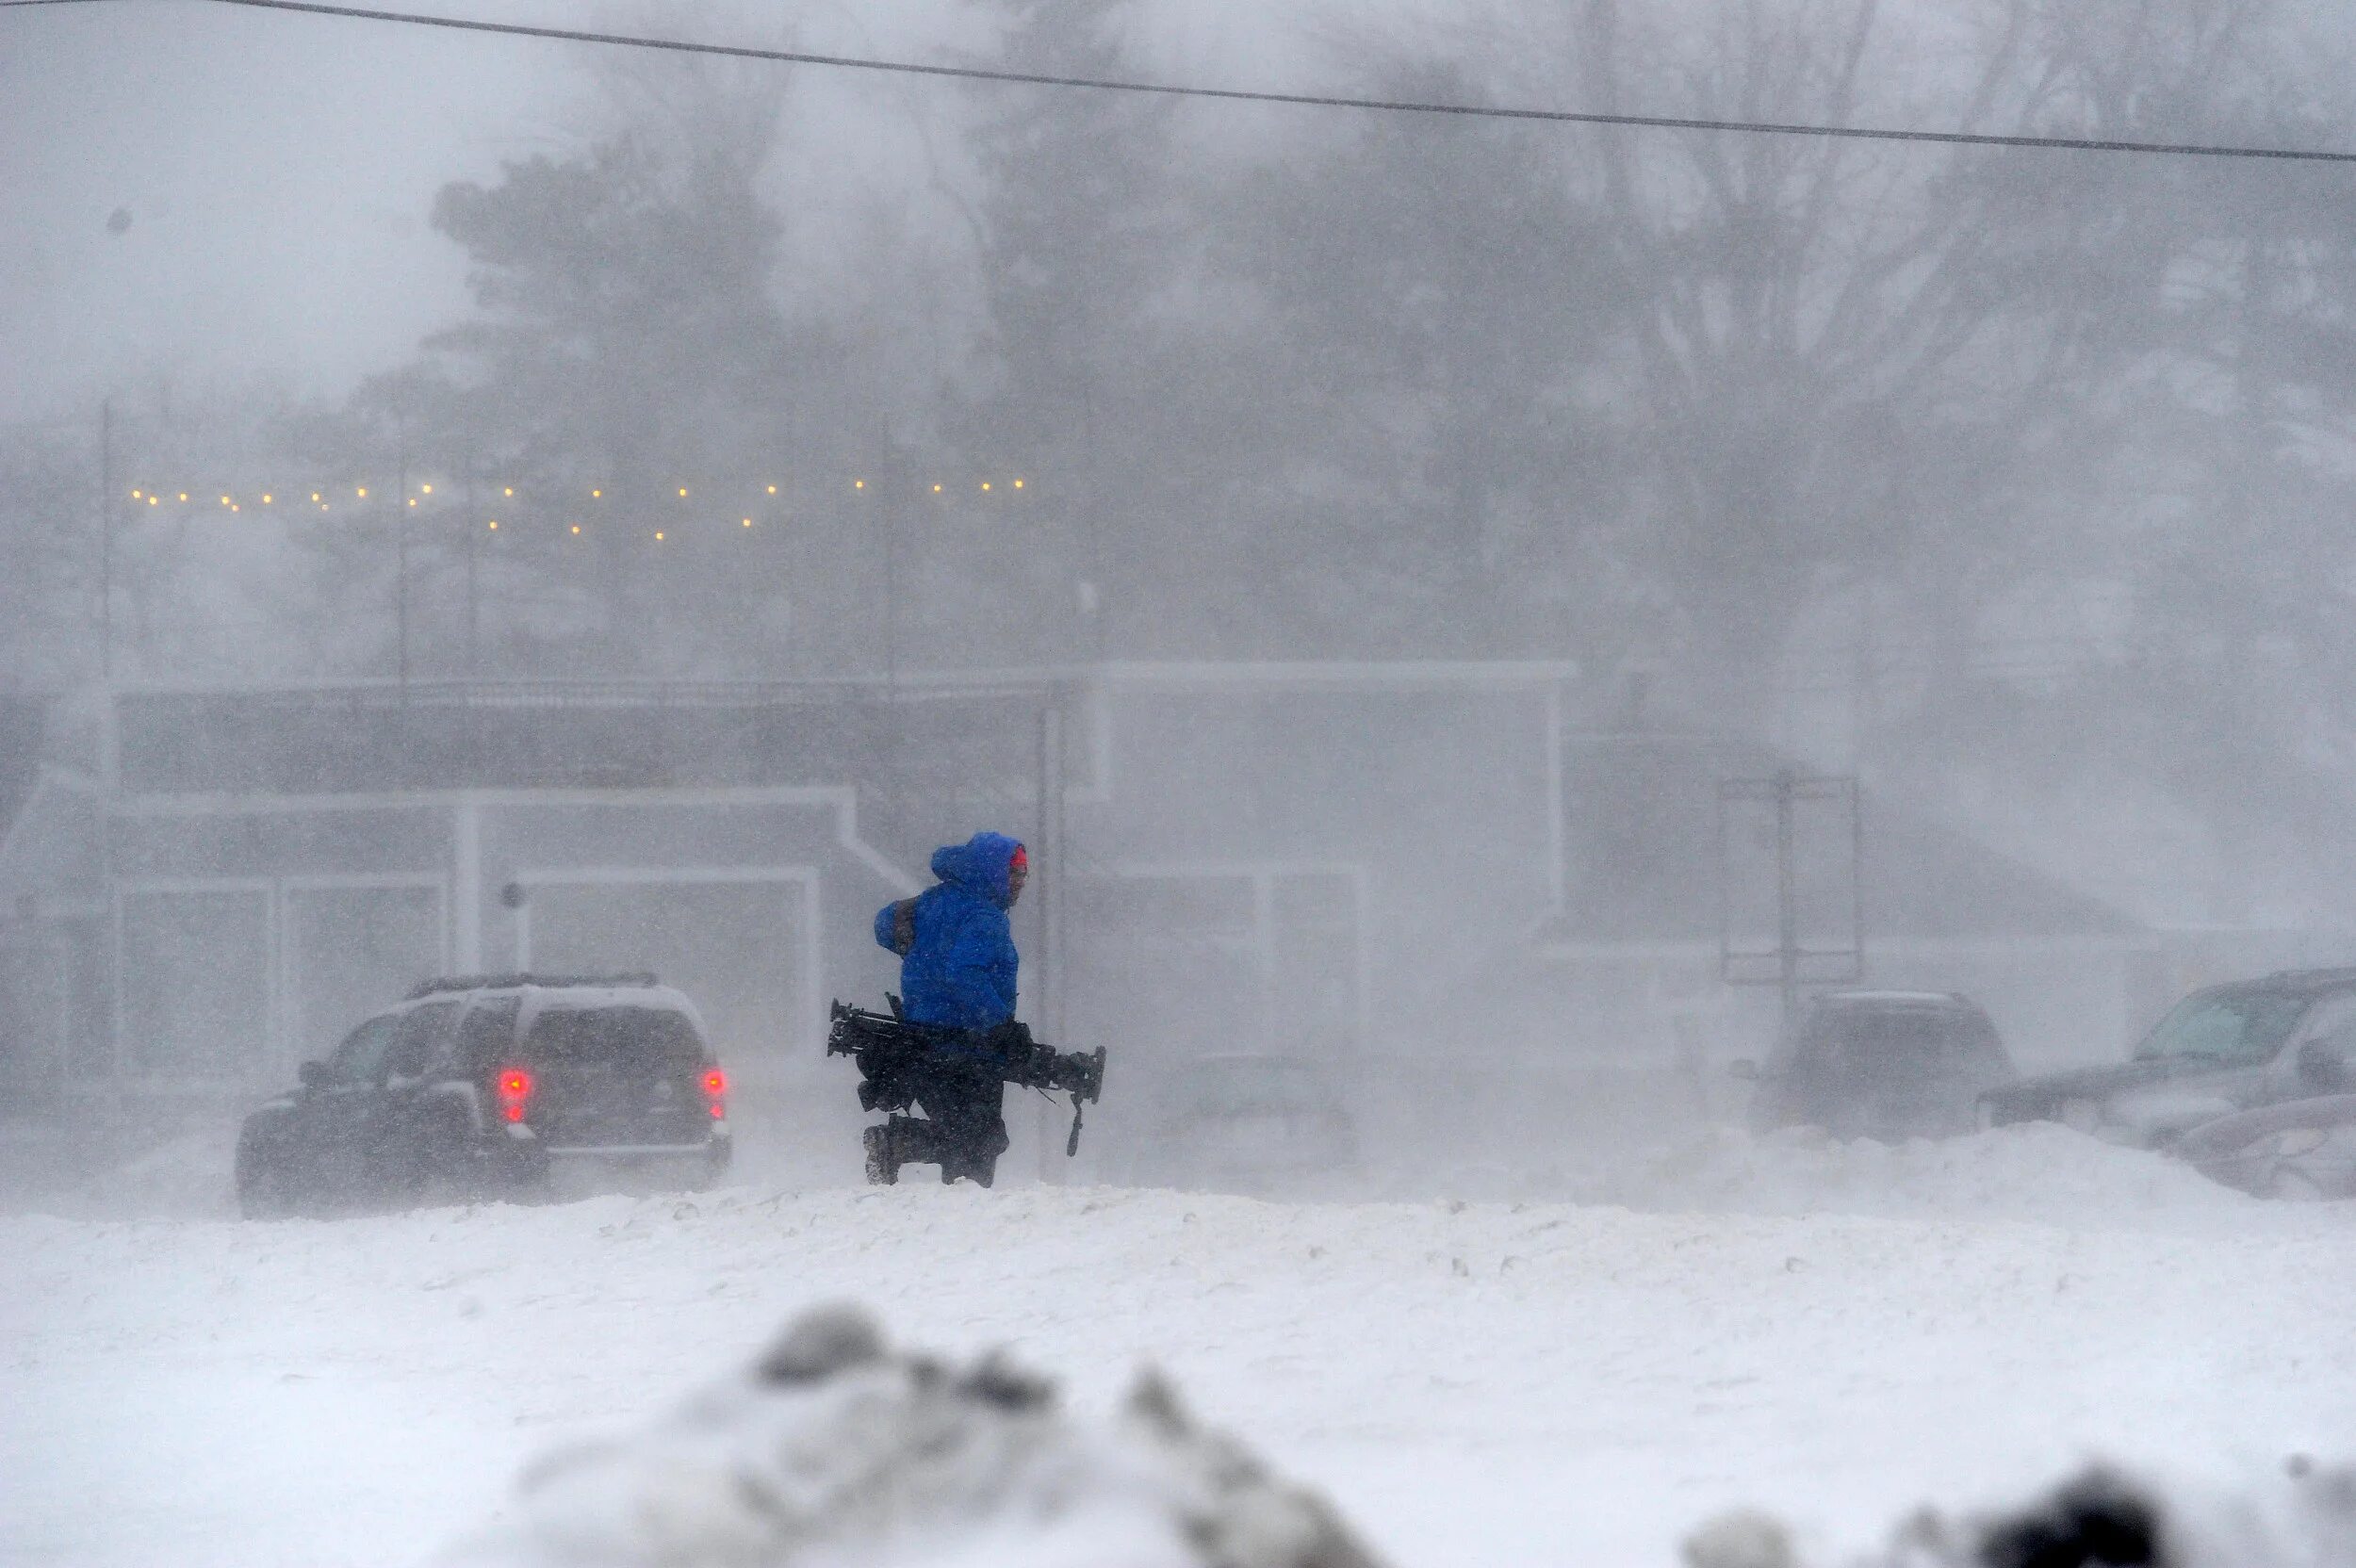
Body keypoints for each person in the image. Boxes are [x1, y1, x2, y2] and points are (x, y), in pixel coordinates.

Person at [865, 831, 1028, 1185]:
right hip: (970, 1046)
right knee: (980, 1141)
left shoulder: (931, 903)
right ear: (991, 871)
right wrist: (1000, 1024)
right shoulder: (985, 916)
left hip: (921, 1042)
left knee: (963, 1134)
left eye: (1023, 875)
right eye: (1013, 873)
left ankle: (902, 1147)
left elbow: (885, 926)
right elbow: (964, 972)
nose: (1020, 883)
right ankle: (899, 1146)